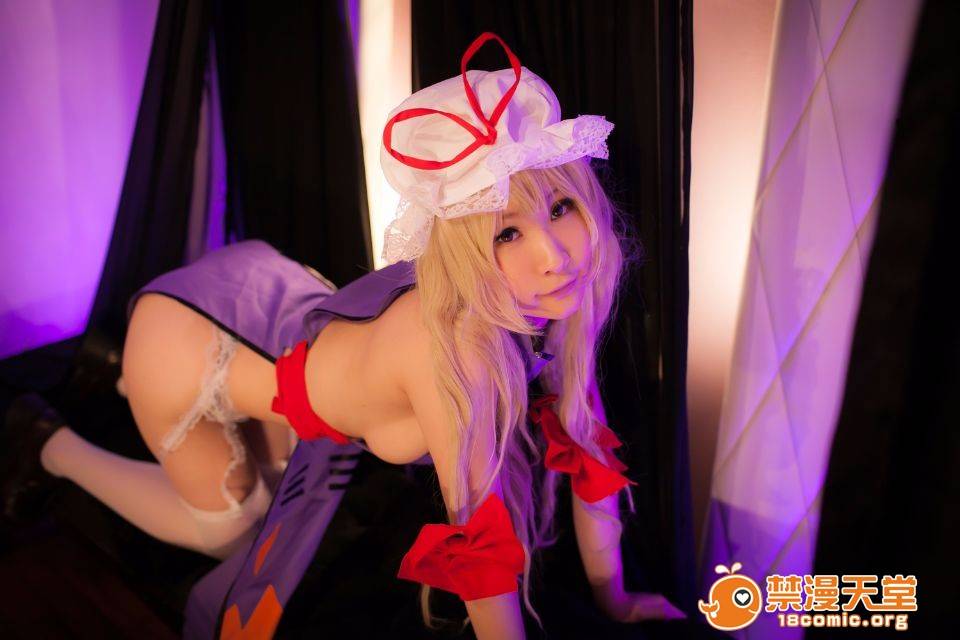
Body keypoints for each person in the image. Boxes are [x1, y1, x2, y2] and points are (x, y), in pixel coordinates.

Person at [2, 32, 684, 638]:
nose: (554, 256)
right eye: (507, 232)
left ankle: (121, 378)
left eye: (561, 207)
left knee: (274, 488)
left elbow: (583, 442)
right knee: (231, 530)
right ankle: (49, 442)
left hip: (278, 308)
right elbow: (481, 547)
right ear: (465, 250)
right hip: (193, 342)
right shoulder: (457, 352)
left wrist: (616, 600)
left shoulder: (555, 304)